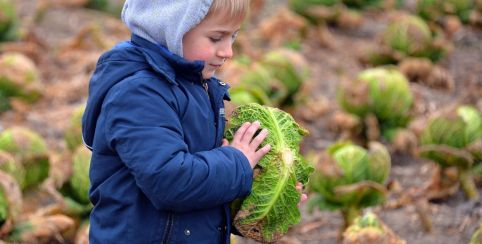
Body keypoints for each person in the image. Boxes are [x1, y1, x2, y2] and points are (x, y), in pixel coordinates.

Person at [82, 0, 305, 243]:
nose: (228, 51)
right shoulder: (139, 93)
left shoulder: (198, 87)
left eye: (233, 37)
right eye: (216, 38)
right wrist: (238, 163)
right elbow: (170, 182)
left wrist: (261, 194)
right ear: (172, 27)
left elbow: (197, 194)